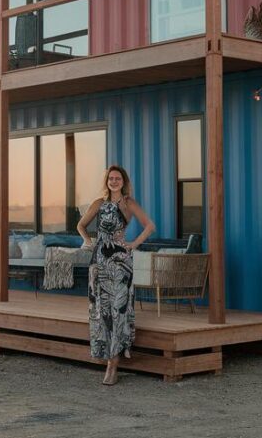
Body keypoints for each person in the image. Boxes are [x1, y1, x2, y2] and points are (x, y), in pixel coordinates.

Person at [77, 165, 155, 385]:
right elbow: (81, 225)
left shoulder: (128, 203)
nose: (114, 181)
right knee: (102, 311)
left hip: (121, 263)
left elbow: (150, 226)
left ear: (123, 181)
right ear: (106, 181)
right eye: (110, 178)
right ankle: (105, 354)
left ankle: (113, 365)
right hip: (99, 262)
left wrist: (132, 244)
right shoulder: (98, 203)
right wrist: (88, 240)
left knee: (118, 311)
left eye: (117, 178)